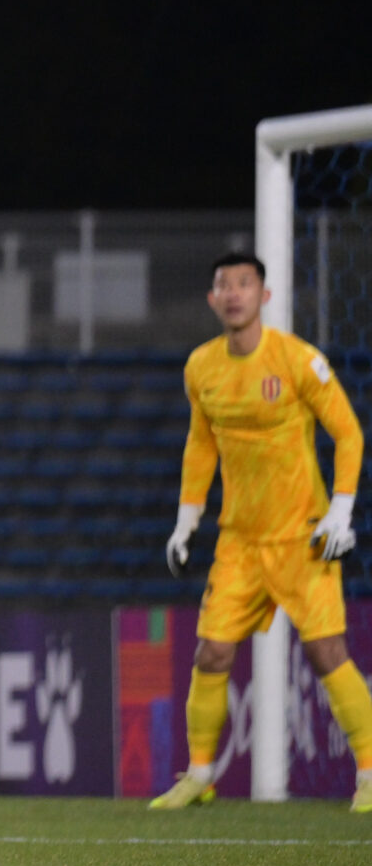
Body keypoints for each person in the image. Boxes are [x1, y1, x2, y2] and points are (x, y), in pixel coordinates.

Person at [150, 251, 372, 812]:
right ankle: (200, 775)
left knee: (326, 652)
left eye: (244, 284)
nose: (234, 293)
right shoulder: (201, 367)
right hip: (240, 542)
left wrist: (340, 511)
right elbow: (201, 444)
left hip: (301, 538)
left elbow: (348, 432)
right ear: (212, 299)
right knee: (211, 653)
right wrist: (186, 521)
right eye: (224, 285)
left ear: (264, 296)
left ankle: (371, 773)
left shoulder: (298, 359)